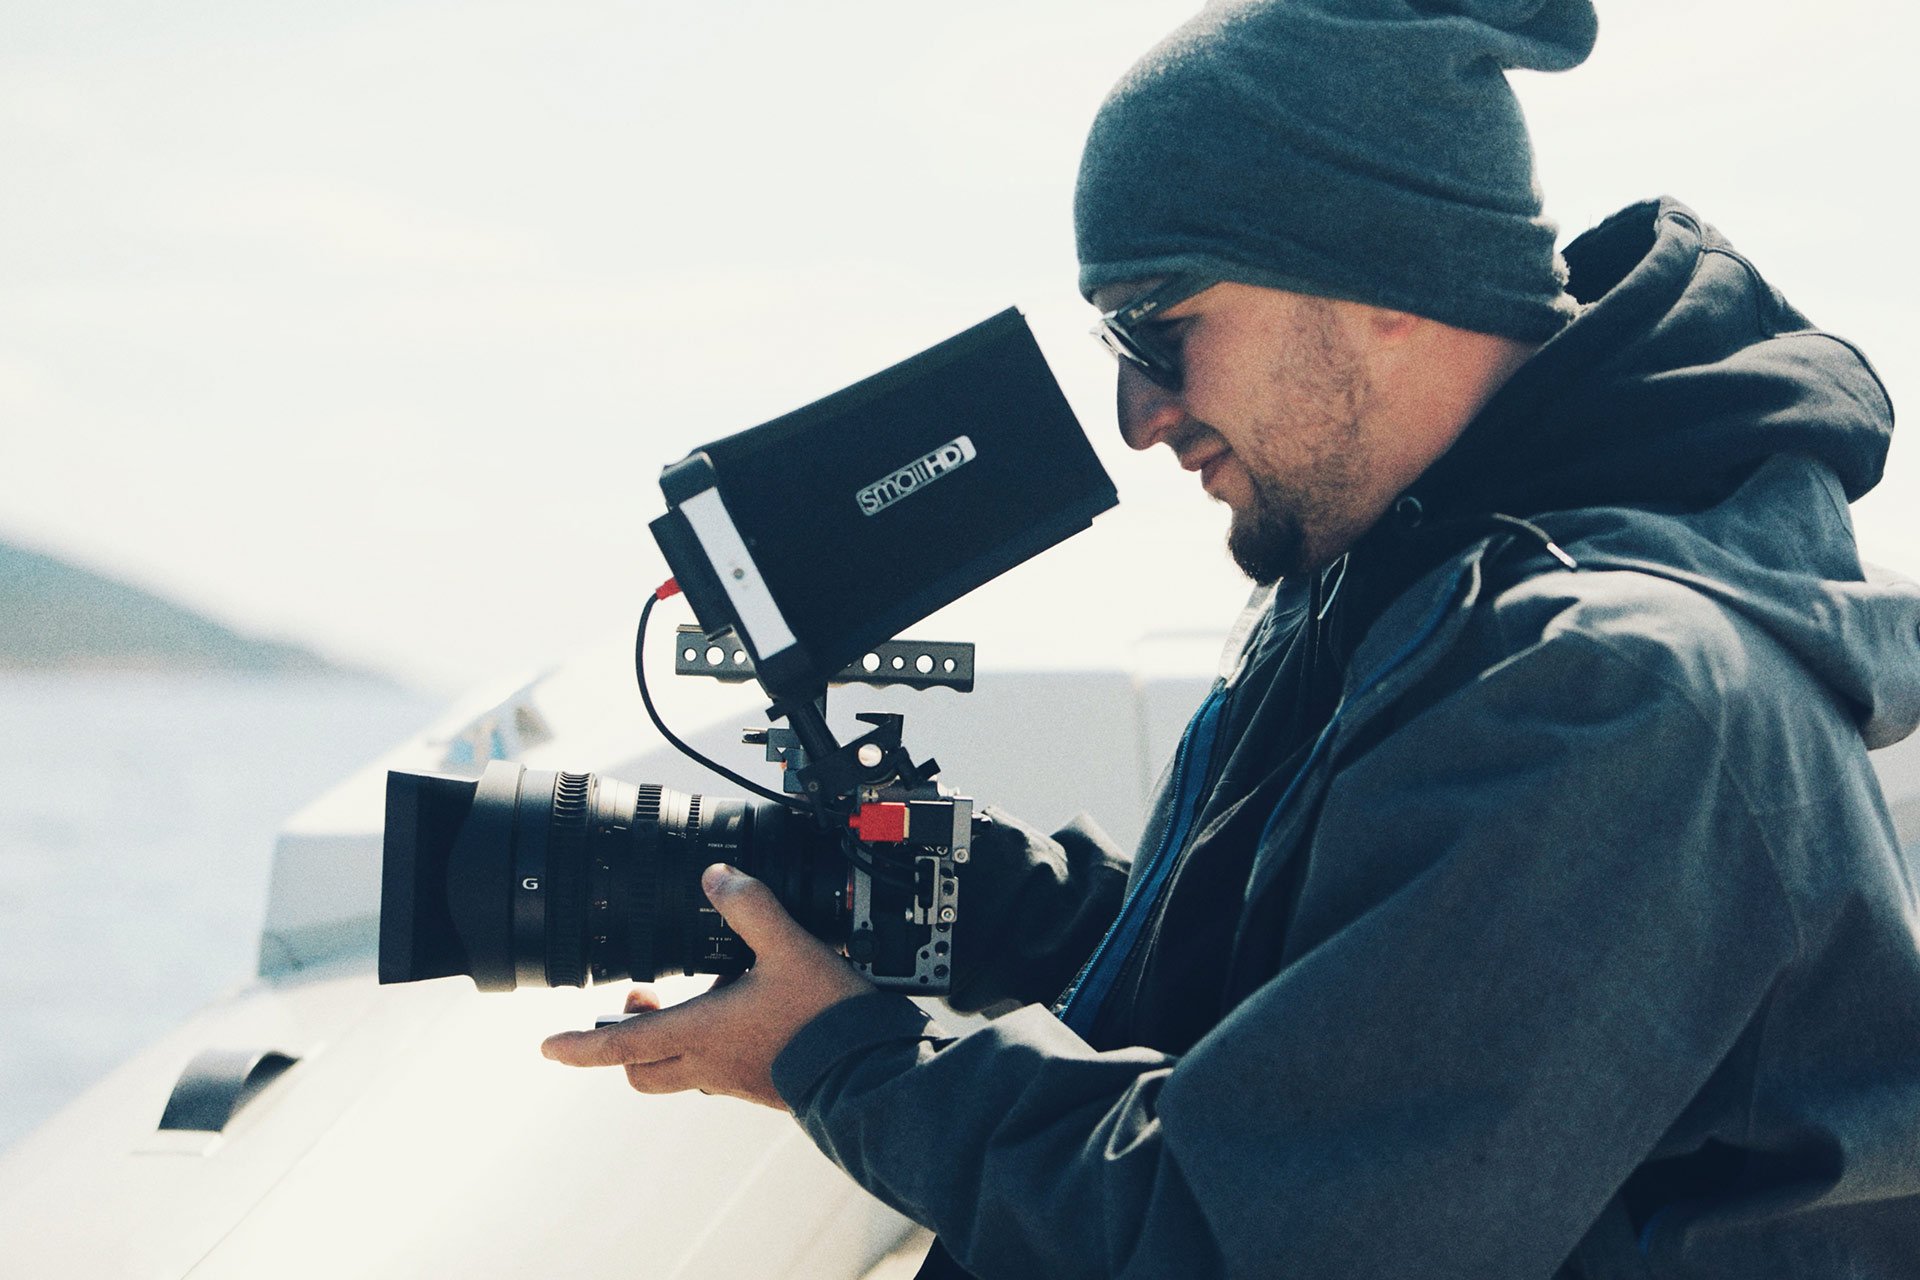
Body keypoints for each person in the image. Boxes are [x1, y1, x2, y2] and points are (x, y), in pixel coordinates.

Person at [544, 1, 1920, 1275]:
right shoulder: (1400, 582)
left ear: (1383, 276)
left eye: (1164, 325)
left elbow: (1243, 1234)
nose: (1140, 412)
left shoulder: (1615, 689)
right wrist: (1002, 902)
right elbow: (1325, 999)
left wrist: (839, 1062)